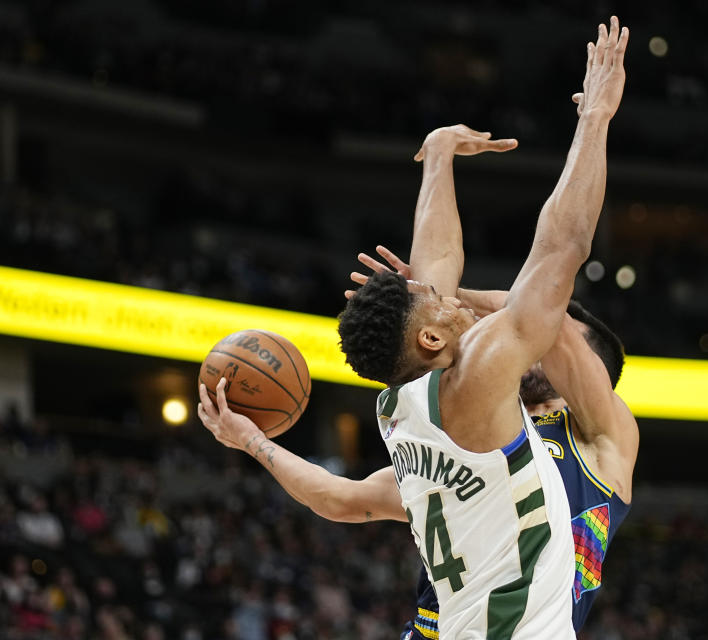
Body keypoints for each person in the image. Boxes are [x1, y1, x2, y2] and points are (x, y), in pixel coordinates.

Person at [202, 16, 628, 637]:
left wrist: (437, 159)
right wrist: (595, 121)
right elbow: (557, 254)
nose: (454, 302)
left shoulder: (403, 409)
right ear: (430, 341)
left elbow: (338, 499)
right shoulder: (482, 383)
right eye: (441, 307)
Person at [352, 247, 636, 637]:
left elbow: (542, 313)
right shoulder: (488, 414)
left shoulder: (603, 434)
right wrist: (417, 295)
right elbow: (347, 498)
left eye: (555, 349)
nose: (540, 351)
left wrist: (448, 296)